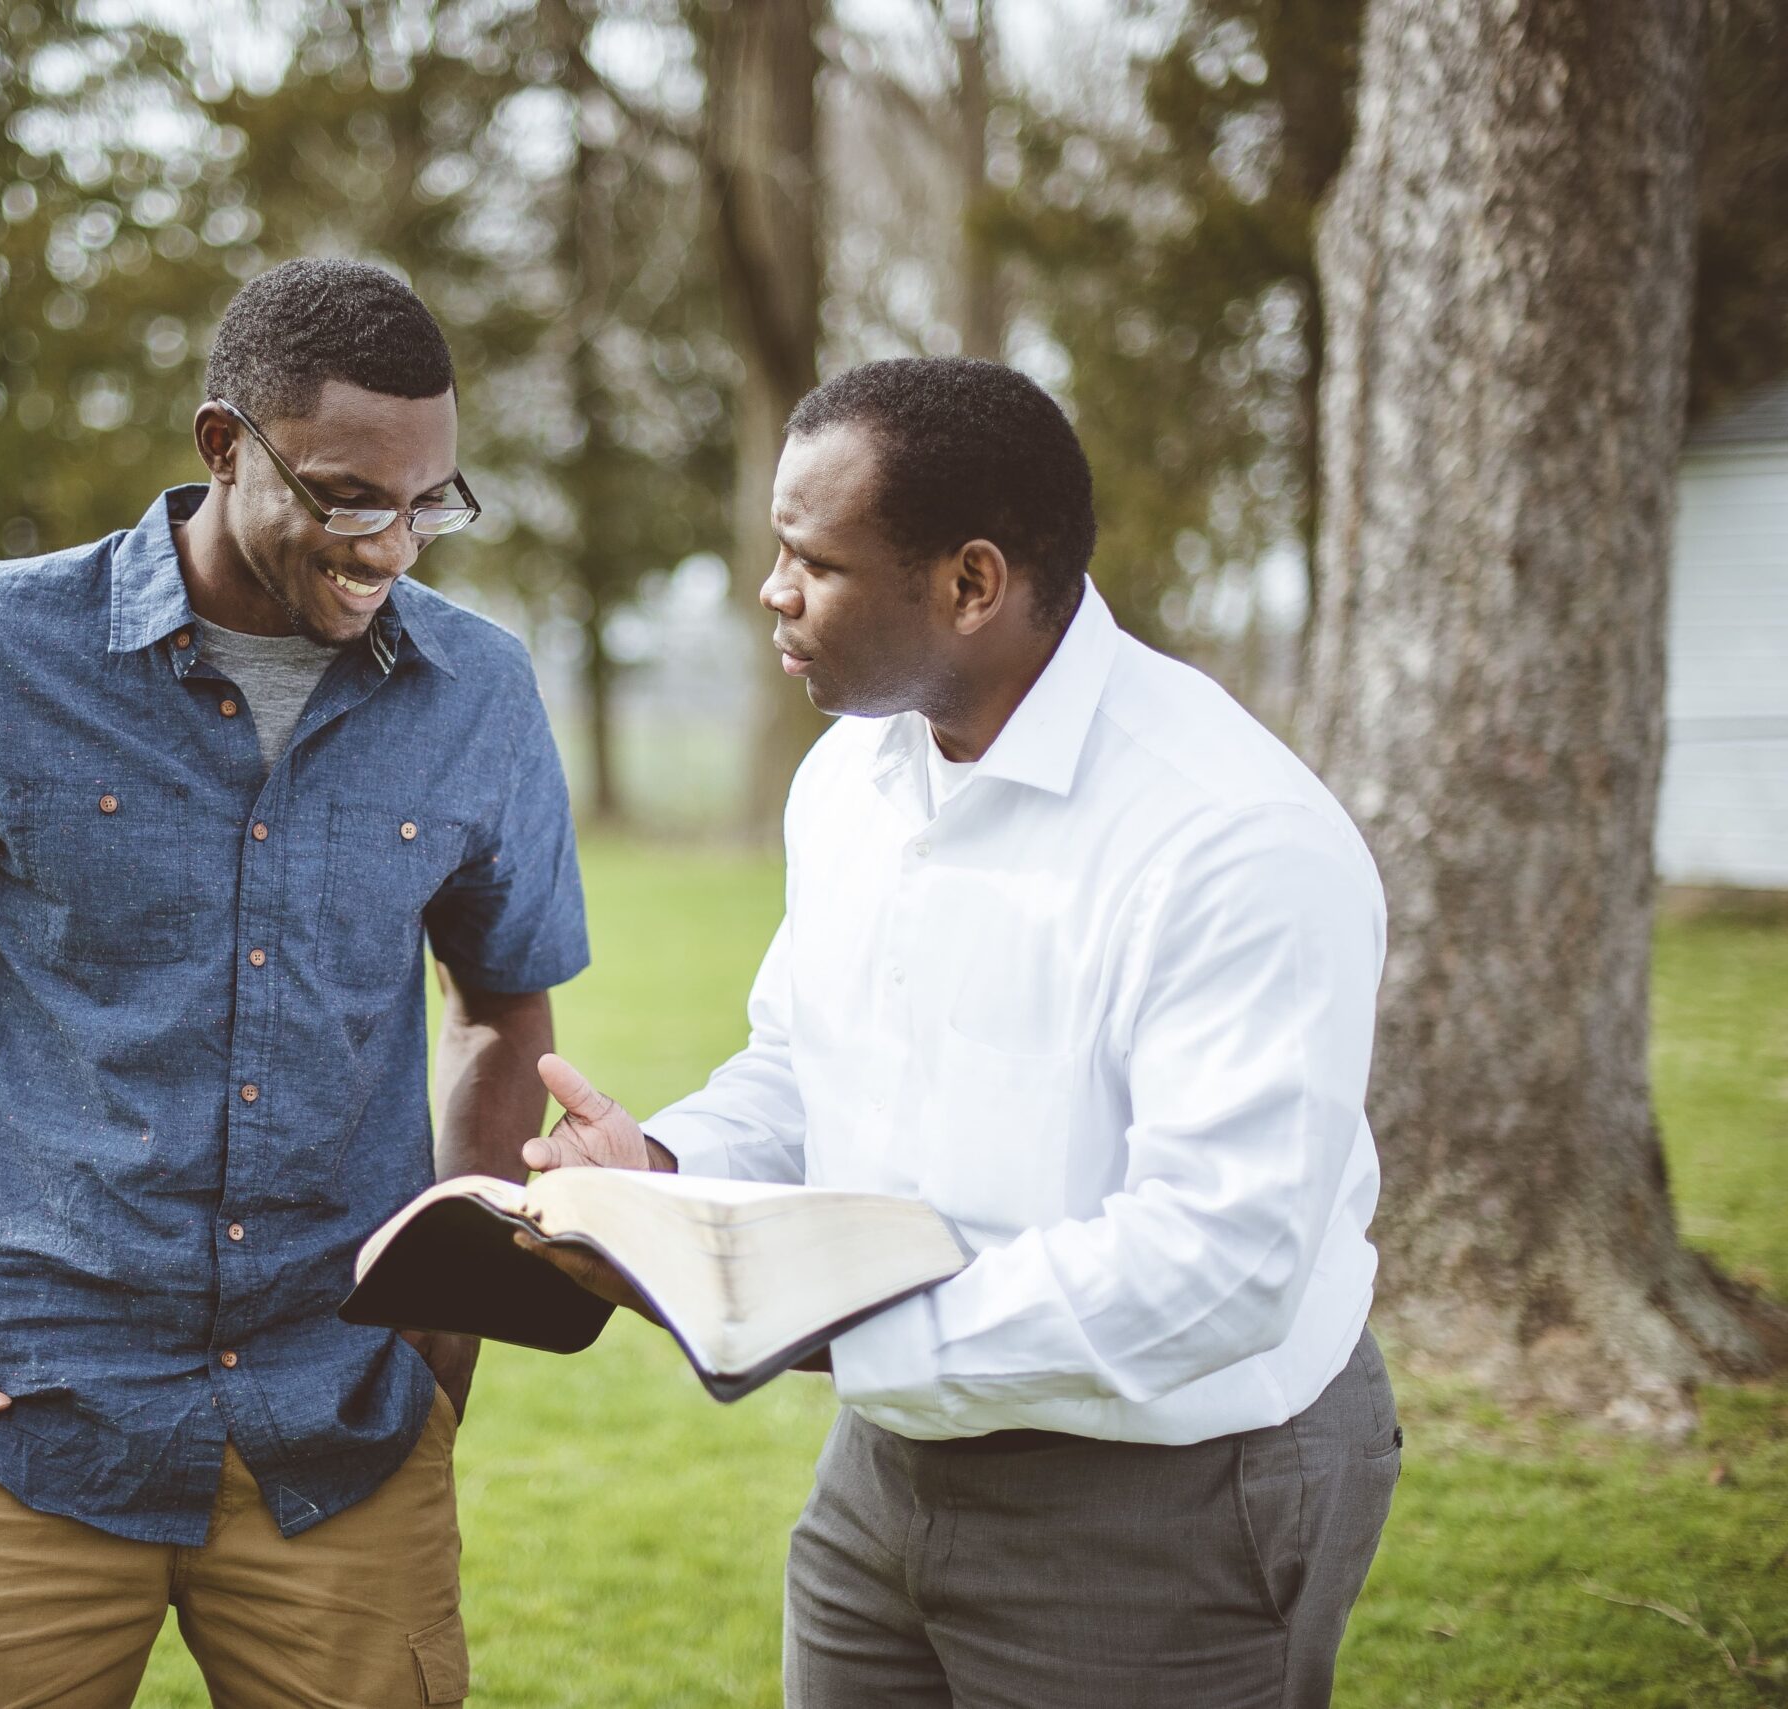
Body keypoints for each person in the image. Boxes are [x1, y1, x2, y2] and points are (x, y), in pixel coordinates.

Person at [0, 258, 588, 1708]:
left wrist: (447, 1332)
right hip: (23, 1430)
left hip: (347, 1435)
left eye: (429, 499)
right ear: (221, 446)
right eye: (344, 495)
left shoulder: (483, 695)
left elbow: (505, 1005)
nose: (392, 544)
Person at [522, 356, 1398, 1708]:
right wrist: (666, 1172)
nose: (770, 588)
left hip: (1163, 1491)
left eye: (812, 558)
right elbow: (805, 1063)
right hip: (887, 1474)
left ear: (971, 584)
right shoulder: (852, 779)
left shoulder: (1231, 839)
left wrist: (830, 1330)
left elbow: (1221, 1260)